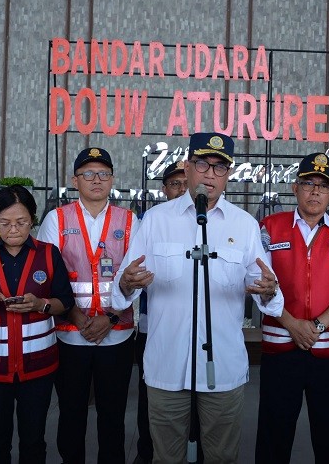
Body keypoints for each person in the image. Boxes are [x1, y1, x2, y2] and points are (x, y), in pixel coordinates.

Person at [112, 132, 283, 464]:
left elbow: (269, 294)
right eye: (203, 164)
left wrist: (269, 290)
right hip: (166, 365)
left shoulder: (245, 225)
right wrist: (127, 284)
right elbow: (122, 285)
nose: (210, 174)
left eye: (220, 167)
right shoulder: (155, 221)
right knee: (165, 457)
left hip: (223, 367)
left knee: (221, 456)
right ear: (188, 168)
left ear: (228, 175)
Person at [255, 153, 329, 464]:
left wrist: (315, 326)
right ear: (295, 188)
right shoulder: (269, 228)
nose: (315, 191)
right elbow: (261, 284)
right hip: (280, 348)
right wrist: (292, 324)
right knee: (273, 435)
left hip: (328, 350)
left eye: (323, 185)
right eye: (308, 184)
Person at [0, 185, 74, 464]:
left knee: (33, 440)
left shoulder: (48, 254)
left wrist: (40, 304)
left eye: (21, 222)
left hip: (38, 367)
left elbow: (65, 302)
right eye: (5, 223)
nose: (13, 229)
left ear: (33, 220)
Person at [37, 147, 137, 464]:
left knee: (113, 413)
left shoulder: (131, 220)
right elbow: (49, 278)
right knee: (71, 412)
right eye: (88, 173)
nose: (97, 179)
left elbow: (137, 277)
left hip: (117, 333)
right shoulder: (56, 219)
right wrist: (79, 318)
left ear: (112, 179)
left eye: (103, 173)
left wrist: (108, 317)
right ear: (74, 180)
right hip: (69, 334)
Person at [132, 160, 188, 464]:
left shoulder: (202, 221)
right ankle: (146, 451)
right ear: (163, 189)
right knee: (151, 395)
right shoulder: (149, 220)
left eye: (184, 183)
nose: (180, 189)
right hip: (152, 324)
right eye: (174, 184)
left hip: (194, 327)